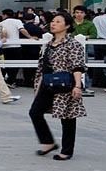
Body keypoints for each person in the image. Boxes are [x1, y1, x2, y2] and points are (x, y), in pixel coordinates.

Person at [29, 12, 86, 160]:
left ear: (67, 25)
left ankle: (67, 150)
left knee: (67, 117)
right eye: (53, 21)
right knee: (35, 112)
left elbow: (77, 66)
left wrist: (77, 86)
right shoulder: (48, 44)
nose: (53, 24)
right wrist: (38, 86)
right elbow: (43, 67)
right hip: (47, 83)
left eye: (58, 22)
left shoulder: (73, 44)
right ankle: (48, 142)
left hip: (65, 84)